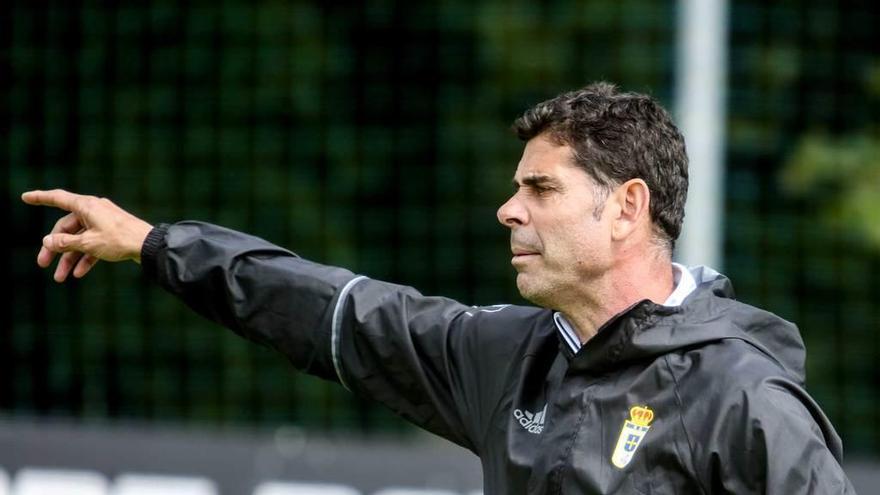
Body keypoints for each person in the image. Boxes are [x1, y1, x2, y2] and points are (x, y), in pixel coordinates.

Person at [22, 82, 854, 494]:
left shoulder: (743, 397)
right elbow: (328, 310)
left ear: (626, 207)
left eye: (541, 190)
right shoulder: (507, 357)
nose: (508, 210)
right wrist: (158, 244)